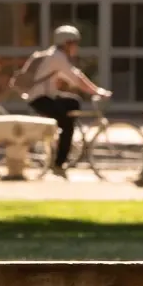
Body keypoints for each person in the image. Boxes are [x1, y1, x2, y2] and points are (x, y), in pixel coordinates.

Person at [26, 25, 110, 178]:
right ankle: (59, 163)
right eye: (75, 43)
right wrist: (97, 91)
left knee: (73, 102)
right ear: (66, 43)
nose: (76, 47)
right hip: (39, 99)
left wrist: (84, 88)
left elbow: (70, 77)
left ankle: (58, 141)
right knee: (67, 125)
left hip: (46, 97)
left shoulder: (56, 56)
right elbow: (76, 78)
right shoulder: (57, 57)